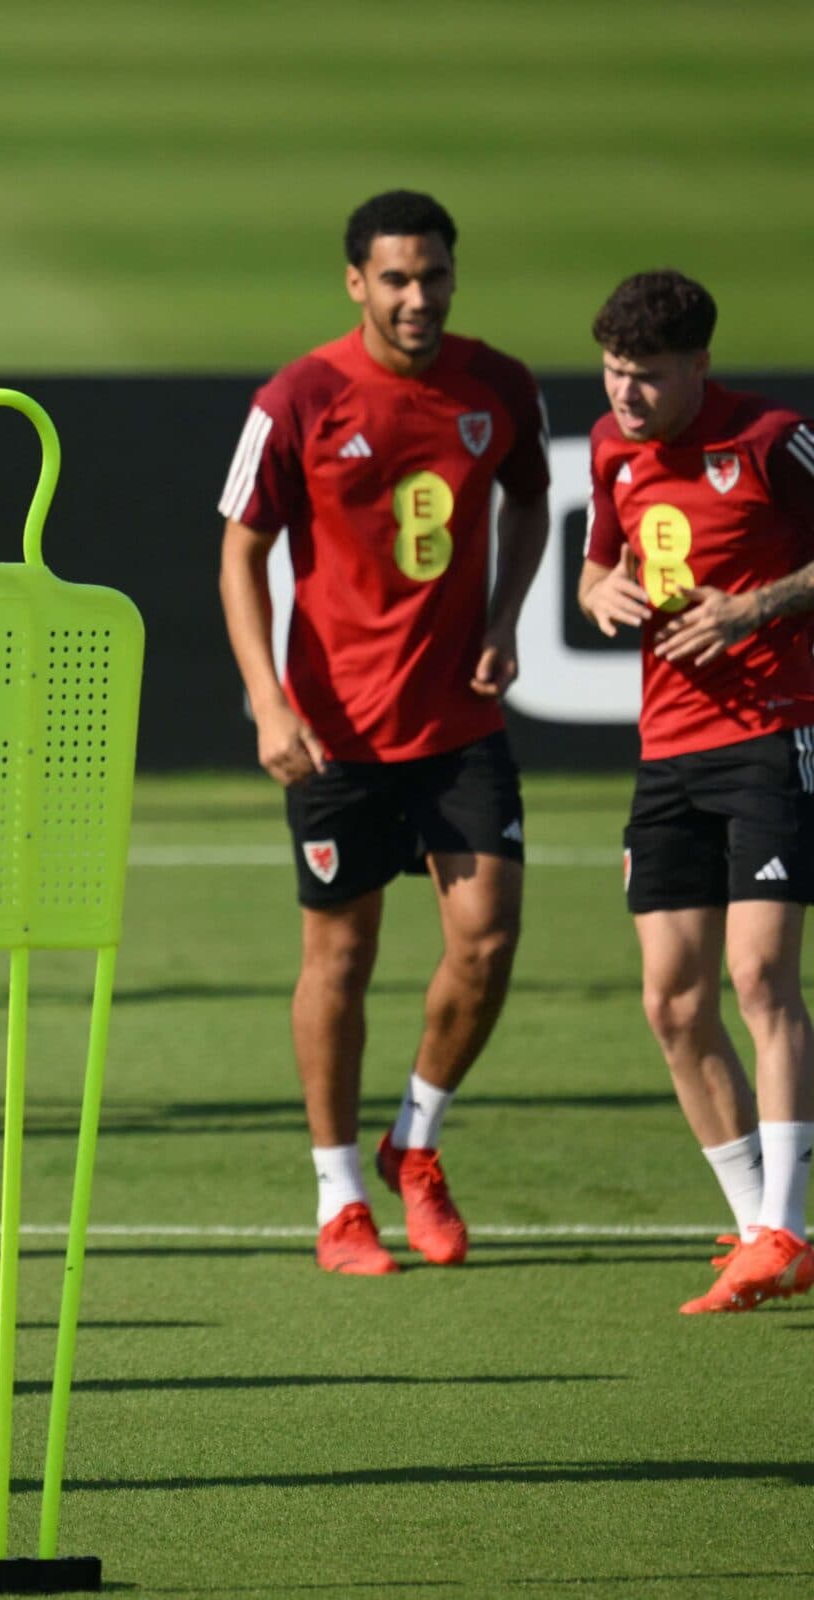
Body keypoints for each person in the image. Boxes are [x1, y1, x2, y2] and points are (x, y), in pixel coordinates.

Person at [215, 190, 549, 1275]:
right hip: (336, 735)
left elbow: (532, 500)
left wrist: (502, 621)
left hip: (457, 721)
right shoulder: (298, 396)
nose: (418, 297)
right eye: (396, 278)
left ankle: (418, 1138)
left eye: (434, 276)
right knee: (341, 957)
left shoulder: (498, 385)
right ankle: (340, 1196)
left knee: (487, 939)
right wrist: (268, 700)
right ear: (355, 281)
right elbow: (237, 553)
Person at [576, 270, 814, 1313]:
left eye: (648, 378)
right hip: (668, 747)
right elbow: (595, 564)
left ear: (700, 366)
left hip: (772, 732)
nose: (627, 396)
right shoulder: (607, 443)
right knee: (673, 1000)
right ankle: (762, 1222)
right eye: (616, 373)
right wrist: (597, 591)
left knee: (760, 977)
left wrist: (753, 607)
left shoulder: (771, 438)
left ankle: (788, 1227)